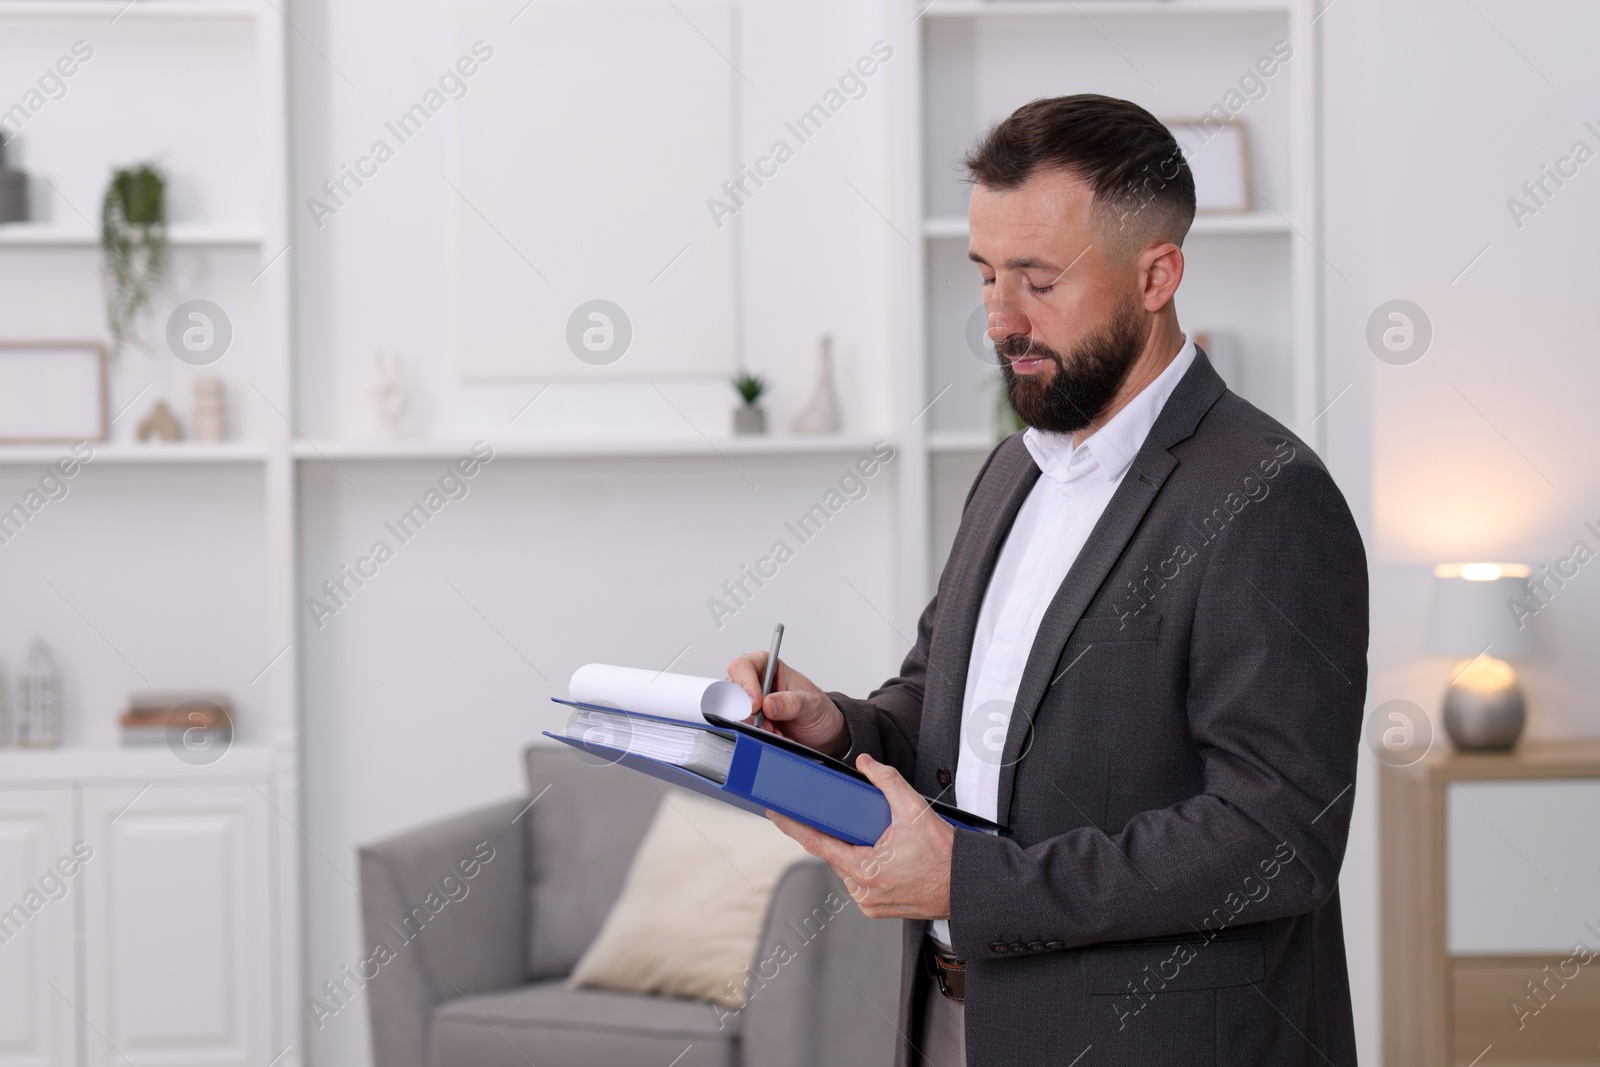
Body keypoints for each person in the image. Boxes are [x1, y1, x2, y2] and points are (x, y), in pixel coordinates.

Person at [728, 94, 1367, 1067]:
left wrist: (970, 885)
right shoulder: (1010, 471)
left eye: (1036, 280)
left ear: (1157, 275)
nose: (999, 317)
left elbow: (1274, 836)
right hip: (954, 1021)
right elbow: (936, 709)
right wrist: (839, 725)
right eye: (985, 274)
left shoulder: (1265, 497)